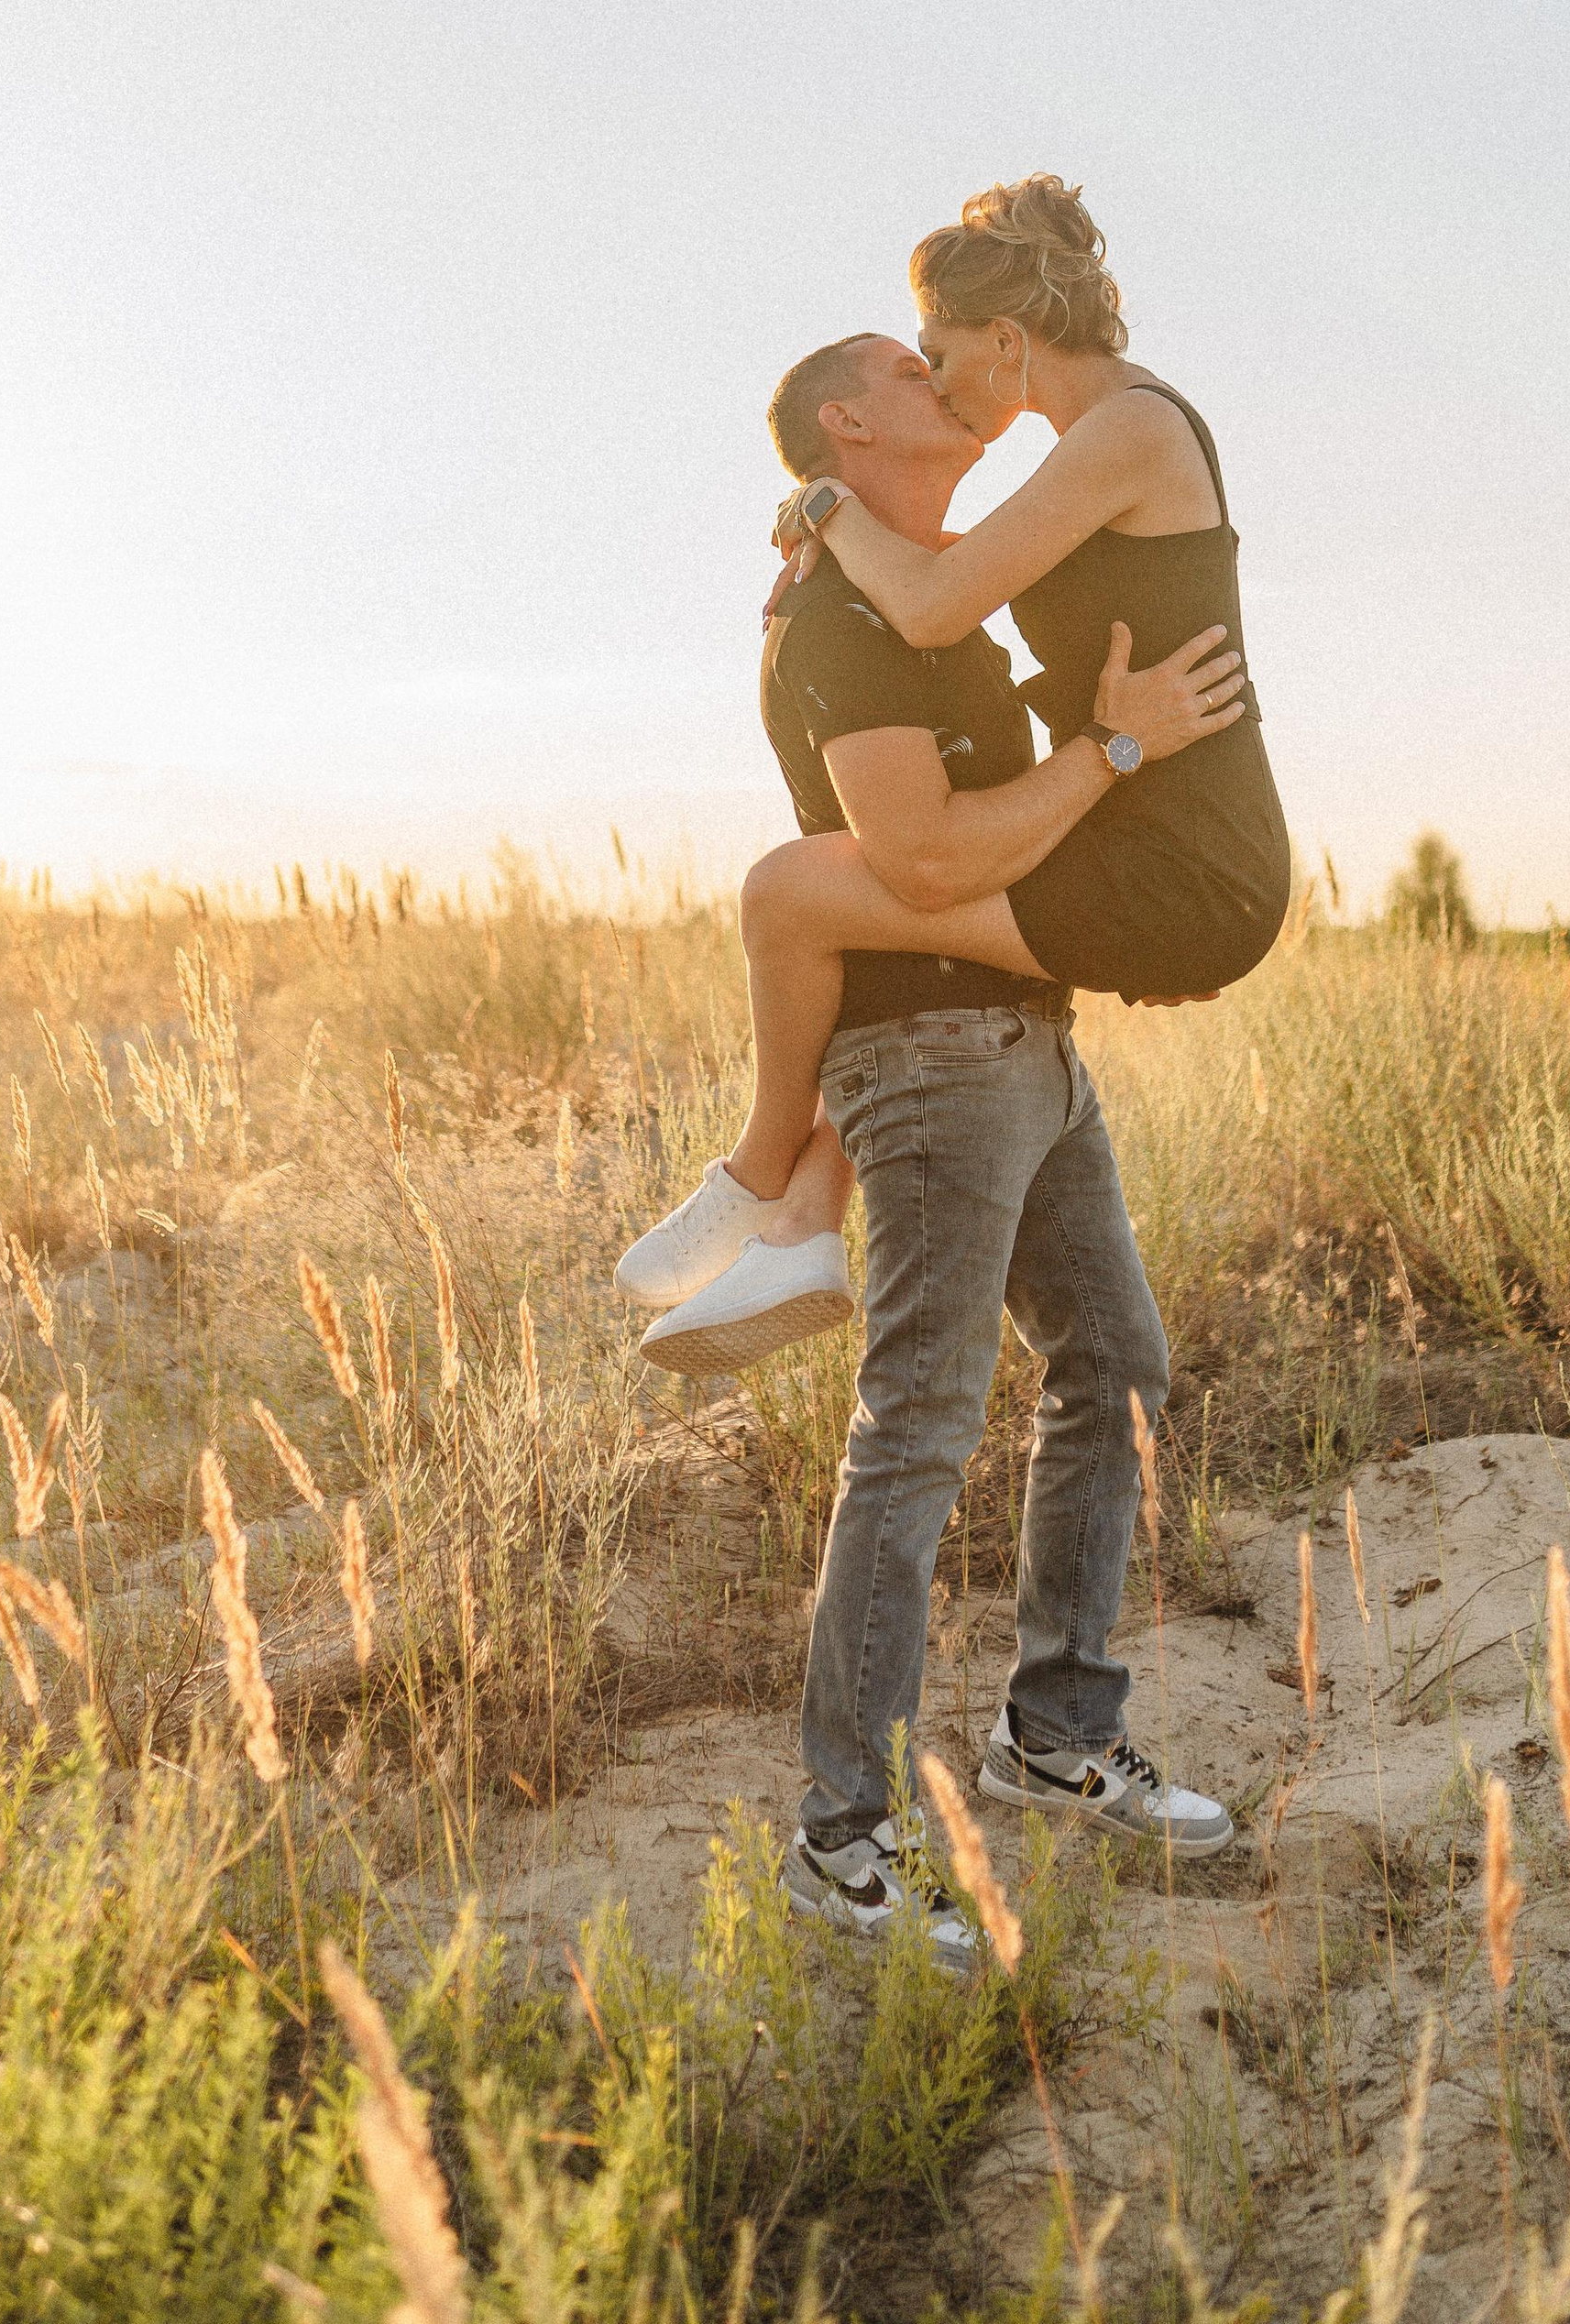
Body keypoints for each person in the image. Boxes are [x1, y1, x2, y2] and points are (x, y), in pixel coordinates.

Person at [627, 320, 1240, 1953]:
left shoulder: (914, 585)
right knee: (917, 1429)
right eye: (914, 374)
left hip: (1027, 1041)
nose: (948, 390)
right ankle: (843, 1830)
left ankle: (1056, 1733)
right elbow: (921, 864)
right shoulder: (844, 622)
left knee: (1113, 1362)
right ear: (845, 421)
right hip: (934, 1059)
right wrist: (1115, 754)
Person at [623, 174, 1290, 1346]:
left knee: (791, 893)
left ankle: (761, 1183)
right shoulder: (1099, 441)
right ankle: (796, 1225)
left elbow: (929, 603)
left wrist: (826, 507)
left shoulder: (1128, 432)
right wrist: (828, 536)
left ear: (1005, 338)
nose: (936, 376)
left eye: (936, 350)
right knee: (868, 913)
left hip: (1184, 859)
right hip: (1153, 838)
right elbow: (932, 575)